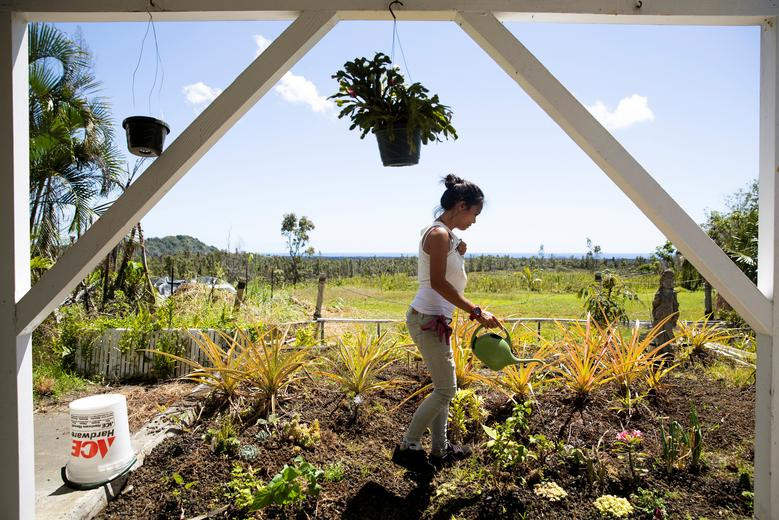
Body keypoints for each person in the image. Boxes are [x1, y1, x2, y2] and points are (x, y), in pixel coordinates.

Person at [392, 174, 502, 472]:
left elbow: (443, 265)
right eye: (474, 213)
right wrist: (476, 311)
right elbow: (438, 283)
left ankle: (440, 450)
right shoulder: (439, 234)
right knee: (446, 390)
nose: (474, 221)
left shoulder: (445, 235)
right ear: (461, 205)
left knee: (442, 388)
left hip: (435, 320)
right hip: (427, 319)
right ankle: (408, 446)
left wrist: (457, 247)